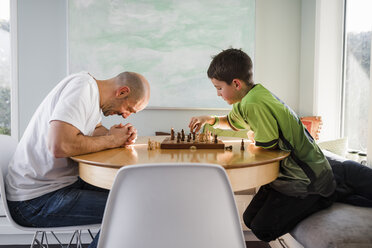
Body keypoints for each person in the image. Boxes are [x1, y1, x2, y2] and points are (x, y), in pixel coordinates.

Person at [189, 48, 336, 242]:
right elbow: (232, 122)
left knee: (262, 229)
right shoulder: (249, 97)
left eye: (218, 88)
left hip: (305, 180)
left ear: (236, 83)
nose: (218, 94)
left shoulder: (253, 103)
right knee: (249, 219)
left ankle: (325, 196)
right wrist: (209, 119)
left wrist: (252, 140)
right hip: (288, 175)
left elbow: (266, 147)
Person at [5, 71, 150, 248]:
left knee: (135, 195)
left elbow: (94, 130)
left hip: (57, 186)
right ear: (122, 92)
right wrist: (112, 140)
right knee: (132, 208)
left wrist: (116, 135)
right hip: (34, 201)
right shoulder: (82, 89)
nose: (126, 115)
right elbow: (60, 145)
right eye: (129, 109)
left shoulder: (91, 95)